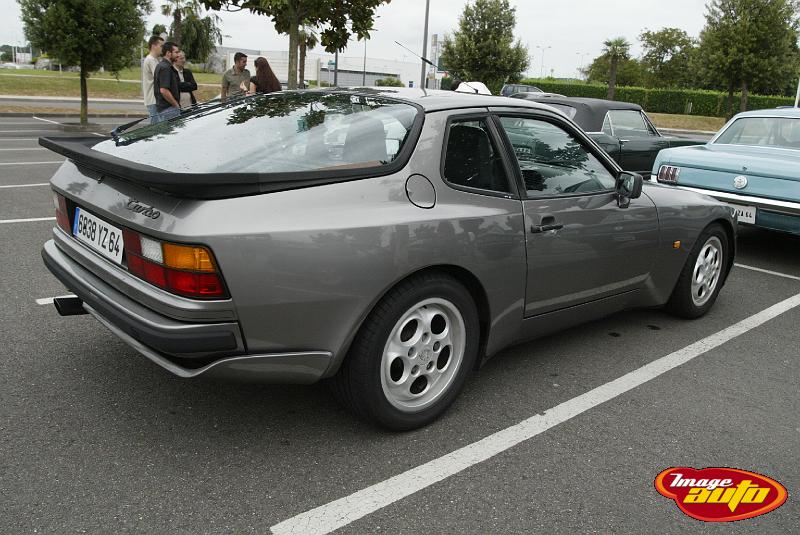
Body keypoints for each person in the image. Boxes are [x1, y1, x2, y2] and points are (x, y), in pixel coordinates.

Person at [152, 41, 181, 123]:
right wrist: (176, 105)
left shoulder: (161, 65)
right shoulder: (166, 68)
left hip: (165, 109)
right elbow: (164, 90)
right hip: (169, 110)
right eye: (176, 52)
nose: (178, 55)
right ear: (168, 53)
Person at [142, 35, 164, 124]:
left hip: (154, 99)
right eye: (161, 46)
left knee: (158, 127)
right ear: (153, 46)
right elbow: (160, 77)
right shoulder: (150, 60)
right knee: (156, 129)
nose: (162, 48)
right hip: (153, 99)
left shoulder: (154, 60)